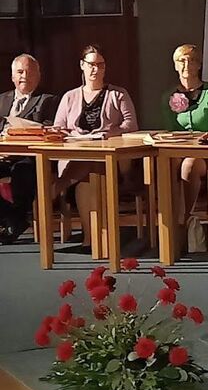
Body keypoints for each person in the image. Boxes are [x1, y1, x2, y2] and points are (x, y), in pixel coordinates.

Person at [53, 44, 139, 249]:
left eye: (100, 65)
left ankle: (57, 188)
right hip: (76, 154)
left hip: (109, 158)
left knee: (94, 166)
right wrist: (76, 136)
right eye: (91, 64)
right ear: (82, 65)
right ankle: (94, 238)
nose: (95, 69)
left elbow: (131, 125)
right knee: (88, 173)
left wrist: (109, 133)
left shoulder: (118, 94)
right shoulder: (69, 97)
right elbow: (58, 128)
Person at [162, 44, 208, 248]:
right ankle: (168, 223)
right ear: (175, 65)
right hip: (179, 149)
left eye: (191, 60)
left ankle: (184, 220)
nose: (186, 65)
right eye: (182, 60)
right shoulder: (168, 96)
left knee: (189, 164)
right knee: (165, 164)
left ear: (199, 64)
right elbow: (169, 131)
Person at [0, 54, 58, 242]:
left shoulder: (48, 100)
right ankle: (12, 217)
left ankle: (16, 218)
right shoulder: (2, 100)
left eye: (30, 72)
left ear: (38, 76)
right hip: (2, 156)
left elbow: (50, 129)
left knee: (22, 171)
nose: (24, 76)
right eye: (20, 72)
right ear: (12, 76)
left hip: (30, 157)